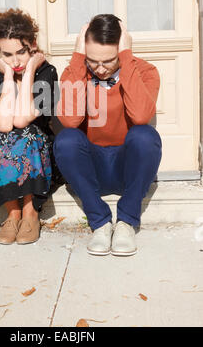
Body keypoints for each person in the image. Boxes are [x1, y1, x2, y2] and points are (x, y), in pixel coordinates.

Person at [53, 14, 162, 256]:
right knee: (66, 139)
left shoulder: (145, 71)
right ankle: (100, 221)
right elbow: (70, 120)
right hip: (92, 169)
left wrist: (126, 59)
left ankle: (126, 222)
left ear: (123, 49)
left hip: (127, 168)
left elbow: (141, 116)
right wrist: (79, 60)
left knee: (145, 135)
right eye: (93, 61)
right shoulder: (75, 71)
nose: (100, 69)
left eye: (109, 61)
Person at [0, 8, 58, 245]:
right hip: (6, 142)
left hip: (41, 149)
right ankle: (13, 212)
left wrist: (29, 72)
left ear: (33, 45)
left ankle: (30, 211)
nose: (16, 61)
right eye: (7, 55)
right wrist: (8, 78)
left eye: (22, 52)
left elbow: (22, 120)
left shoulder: (46, 72)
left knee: (27, 134)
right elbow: (4, 122)